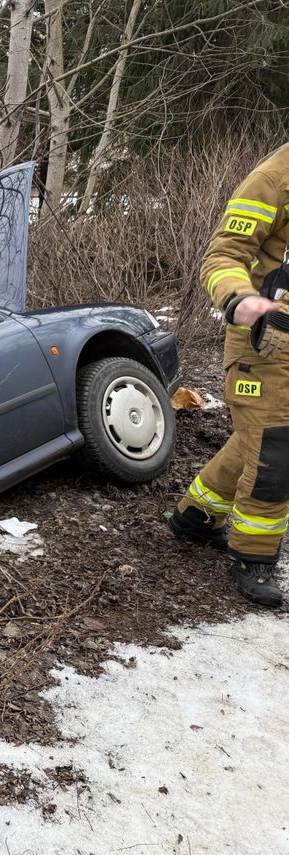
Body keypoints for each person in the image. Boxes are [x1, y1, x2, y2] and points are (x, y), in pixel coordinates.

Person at [169, 143, 289, 607]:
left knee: (257, 437)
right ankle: (253, 554)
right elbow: (221, 256)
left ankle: (196, 515)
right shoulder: (274, 178)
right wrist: (240, 300)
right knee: (276, 449)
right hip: (264, 339)